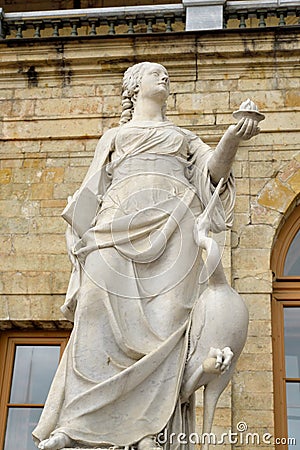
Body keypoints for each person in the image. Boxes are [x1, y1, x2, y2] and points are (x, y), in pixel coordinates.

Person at [32, 62, 259, 450]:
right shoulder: (115, 137)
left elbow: (214, 171)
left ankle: (148, 430)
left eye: (166, 73)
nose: (165, 76)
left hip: (174, 230)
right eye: (156, 73)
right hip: (115, 228)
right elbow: (91, 190)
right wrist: (78, 228)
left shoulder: (184, 137)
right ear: (135, 87)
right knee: (93, 313)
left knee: (167, 326)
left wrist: (232, 138)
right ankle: (75, 425)